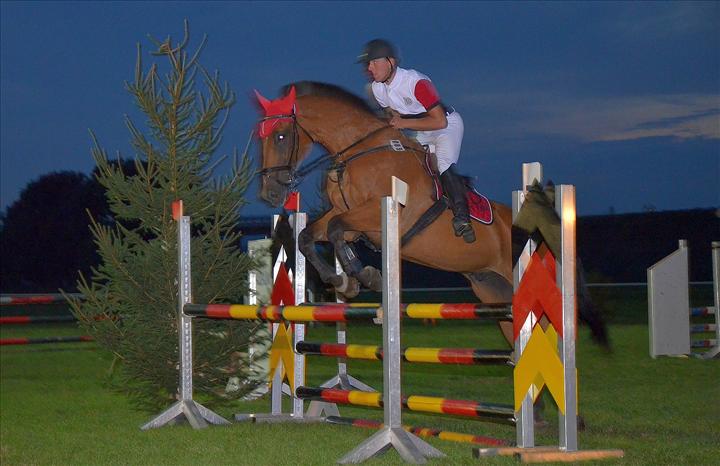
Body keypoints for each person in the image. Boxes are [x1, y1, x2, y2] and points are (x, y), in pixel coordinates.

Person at [356, 39, 475, 243]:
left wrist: (403, 123)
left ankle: (463, 218)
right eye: (368, 64)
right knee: (410, 164)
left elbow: (439, 121)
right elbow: (393, 116)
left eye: (374, 62)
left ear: (391, 62)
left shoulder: (416, 82)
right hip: (421, 128)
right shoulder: (377, 89)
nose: (369, 68)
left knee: (442, 163)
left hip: (446, 126)